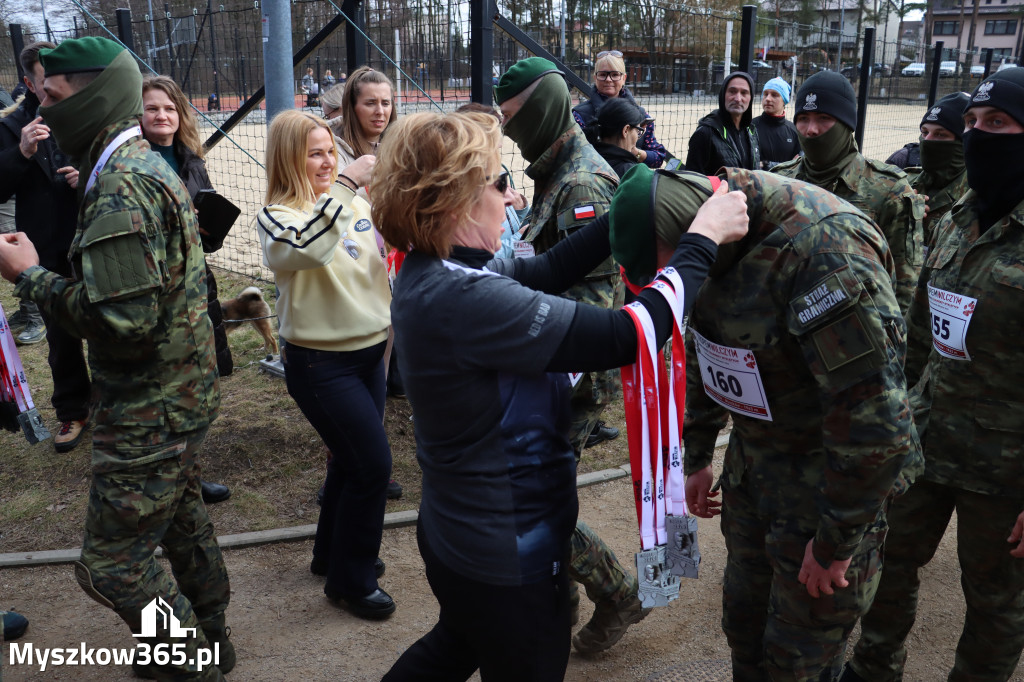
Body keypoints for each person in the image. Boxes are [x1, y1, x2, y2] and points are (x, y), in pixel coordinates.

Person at [374, 109, 747, 682]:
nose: (512, 195)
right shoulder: (466, 299)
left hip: (461, 536)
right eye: (499, 182)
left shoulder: (434, 269)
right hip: (507, 556)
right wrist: (703, 237)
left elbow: (548, 268)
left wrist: (631, 205)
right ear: (454, 204)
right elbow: (629, 335)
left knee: (455, 644)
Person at [610, 161, 922, 682]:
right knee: (744, 628)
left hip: (829, 490)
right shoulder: (708, 242)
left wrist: (835, 543)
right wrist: (696, 454)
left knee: (798, 658)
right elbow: (708, 347)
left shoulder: (823, 254)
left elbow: (877, 424)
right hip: (757, 475)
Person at [0, 36, 232, 680]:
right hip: (177, 395)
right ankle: (213, 639)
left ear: (95, 97)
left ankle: (191, 664)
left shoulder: (121, 186)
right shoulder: (136, 164)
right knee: (180, 520)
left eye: (53, 95)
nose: (41, 107)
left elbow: (122, 324)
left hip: (149, 409)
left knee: (112, 566)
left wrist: (29, 276)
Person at [840, 67, 1024, 682]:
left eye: (997, 122)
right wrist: (897, 422)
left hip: (1005, 470)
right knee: (888, 561)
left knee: (995, 600)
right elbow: (921, 339)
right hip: (928, 440)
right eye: (971, 122)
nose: (977, 135)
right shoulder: (954, 220)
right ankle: (875, 667)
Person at [495, 57, 642, 655]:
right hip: (550, 368)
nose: (506, 128)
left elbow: (594, 303)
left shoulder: (581, 183)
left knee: (538, 501)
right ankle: (561, 598)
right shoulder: (555, 171)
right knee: (538, 495)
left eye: (512, 115)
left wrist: (539, 373)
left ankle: (617, 592)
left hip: (571, 378)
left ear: (540, 112)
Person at [255, 110, 394, 620]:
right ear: (289, 159)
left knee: (350, 461)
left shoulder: (352, 200)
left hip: (369, 354)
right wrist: (346, 184)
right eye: (314, 153)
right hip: (321, 365)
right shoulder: (278, 216)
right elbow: (309, 249)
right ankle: (350, 582)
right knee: (373, 466)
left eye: (331, 152)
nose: (328, 162)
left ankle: (331, 554)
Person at [140, 74, 234, 505]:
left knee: (196, 383)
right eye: (152, 108)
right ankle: (160, 477)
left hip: (194, 283)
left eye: (170, 108)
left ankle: (190, 475)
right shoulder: (128, 162)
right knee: (159, 386)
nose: (162, 115)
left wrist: (206, 226)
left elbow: (207, 239)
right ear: (136, 115)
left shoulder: (191, 160)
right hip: (152, 287)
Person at [773, 70, 925, 316]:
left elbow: (903, 288)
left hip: (854, 329)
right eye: (803, 118)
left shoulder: (889, 190)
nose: (811, 130)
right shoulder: (779, 181)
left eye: (824, 118)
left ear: (847, 124)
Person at [572, 49, 669, 168]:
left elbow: (658, 158)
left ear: (624, 78)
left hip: (632, 177)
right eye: (603, 74)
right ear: (595, 77)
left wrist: (634, 151)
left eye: (615, 74)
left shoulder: (642, 115)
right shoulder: (579, 115)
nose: (608, 79)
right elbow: (575, 155)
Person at [903, 92, 970, 248]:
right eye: (925, 132)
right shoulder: (904, 183)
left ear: (962, 142)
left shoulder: (975, 196)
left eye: (940, 134)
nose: (927, 141)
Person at [686, 70, 761, 173]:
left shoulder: (752, 131)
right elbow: (692, 178)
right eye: (732, 91)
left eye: (744, 93)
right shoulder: (706, 133)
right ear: (723, 94)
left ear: (751, 98)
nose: (738, 99)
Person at [581, 97, 650, 178]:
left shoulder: (585, 159)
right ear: (626, 130)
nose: (637, 137)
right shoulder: (632, 173)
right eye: (638, 131)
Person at [752, 76, 800, 170]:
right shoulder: (750, 127)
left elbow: (798, 165)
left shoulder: (794, 130)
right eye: (765, 94)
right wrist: (788, 165)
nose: (768, 99)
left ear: (784, 101)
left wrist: (765, 164)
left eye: (774, 95)